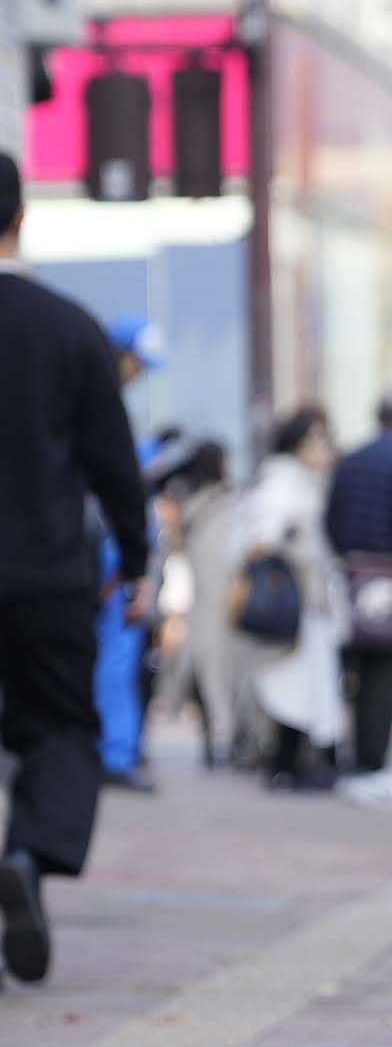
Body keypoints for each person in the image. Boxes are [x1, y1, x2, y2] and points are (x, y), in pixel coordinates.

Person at [0, 151, 151, 988]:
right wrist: (137, 560)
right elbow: (115, 463)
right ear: (20, 218)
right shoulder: (67, 328)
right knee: (60, 727)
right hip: (48, 574)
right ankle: (28, 855)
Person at [325, 389, 392, 804]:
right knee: (384, 674)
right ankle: (373, 763)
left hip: (351, 574)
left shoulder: (350, 460)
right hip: (389, 573)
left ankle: (350, 757)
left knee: (349, 671)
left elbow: (332, 519)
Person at [237, 406, 346, 791]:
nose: (323, 449)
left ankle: (302, 762)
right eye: (315, 440)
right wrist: (292, 539)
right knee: (292, 680)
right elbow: (260, 539)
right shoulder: (281, 482)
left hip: (313, 599)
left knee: (311, 684)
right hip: (294, 600)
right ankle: (286, 762)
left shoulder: (312, 481)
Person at [93, 315, 166, 794]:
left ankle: (114, 749)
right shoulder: (101, 408)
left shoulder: (104, 406)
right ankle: (114, 754)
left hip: (111, 549)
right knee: (115, 659)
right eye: (137, 363)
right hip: (110, 552)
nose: (138, 374)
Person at [155, 441, 240, 766]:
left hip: (198, 598)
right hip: (227, 595)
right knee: (225, 671)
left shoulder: (185, 503)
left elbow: (171, 547)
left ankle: (212, 736)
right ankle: (226, 737)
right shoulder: (230, 500)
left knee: (201, 670)